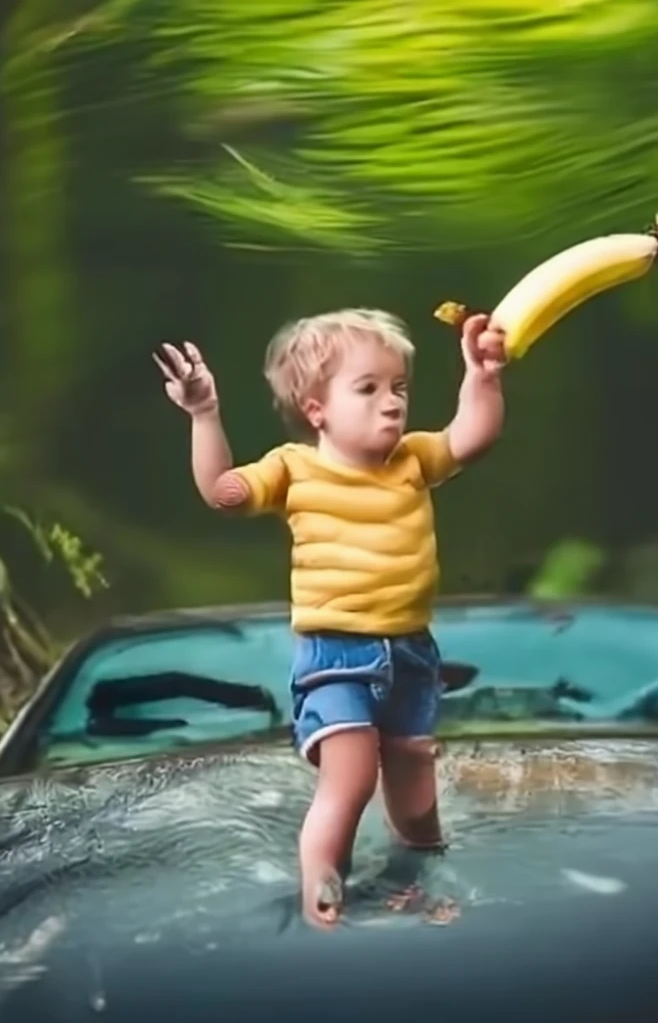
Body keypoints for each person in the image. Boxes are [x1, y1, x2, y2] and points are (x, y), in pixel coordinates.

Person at [153, 307, 506, 928]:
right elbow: (223, 493)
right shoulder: (293, 468)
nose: (391, 404)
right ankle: (322, 885)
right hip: (336, 653)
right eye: (367, 389)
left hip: (412, 652)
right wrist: (205, 415)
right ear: (316, 409)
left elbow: (471, 437)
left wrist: (482, 375)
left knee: (414, 781)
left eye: (398, 388)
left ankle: (418, 874)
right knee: (351, 777)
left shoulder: (415, 459)